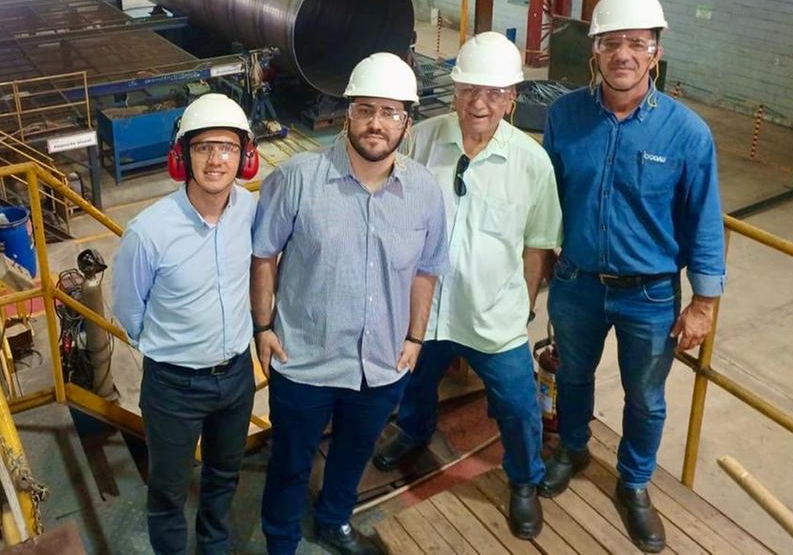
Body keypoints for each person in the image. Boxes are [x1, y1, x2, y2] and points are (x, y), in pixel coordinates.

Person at [540, 0, 726, 553]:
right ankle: (572, 449)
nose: (624, 54)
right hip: (574, 284)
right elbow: (546, 197)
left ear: (655, 54)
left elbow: (705, 220)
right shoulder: (565, 116)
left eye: (636, 44)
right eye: (612, 43)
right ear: (594, 52)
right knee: (572, 377)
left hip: (649, 295)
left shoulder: (687, 133)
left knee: (646, 398)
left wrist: (704, 300)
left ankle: (634, 483)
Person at [252, 52, 449, 555]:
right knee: (291, 460)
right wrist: (262, 326)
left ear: (407, 121)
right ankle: (280, 539)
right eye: (365, 110)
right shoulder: (297, 178)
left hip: (382, 363)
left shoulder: (425, 191)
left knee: (354, 451)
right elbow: (263, 255)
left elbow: (427, 269)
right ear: (348, 114)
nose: (376, 123)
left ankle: (335, 519)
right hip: (304, 359)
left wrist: (414, 337)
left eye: (389, 112)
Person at [373, 32, 561, 540]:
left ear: (512, 98)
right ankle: (413, 430)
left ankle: (524, 480)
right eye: (468, 90)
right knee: (414, 382)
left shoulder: (531, 163)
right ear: (453, 90)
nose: (479, 104)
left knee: (520, 405)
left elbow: (538, 244)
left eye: (494, 93)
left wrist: (520, 307)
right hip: (427, 309)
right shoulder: (421, 140)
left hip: (492, 313)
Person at [112, 93, 260, 555]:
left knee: (222, 476)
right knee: (169, 492)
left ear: (245, 157)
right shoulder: (149, 231)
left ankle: (214, 546)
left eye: (228, 148)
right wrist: (172, 346)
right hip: (174, 386)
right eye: (203, 148)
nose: (217, 160)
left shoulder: (252, 214)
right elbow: (129, 311)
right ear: (182, 157)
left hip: (237, 378)